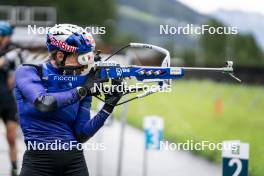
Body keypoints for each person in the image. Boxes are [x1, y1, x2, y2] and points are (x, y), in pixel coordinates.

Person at [15, 24, 122, 176]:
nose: (84, 64)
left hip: (74, 162)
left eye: (88, 57)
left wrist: (108, 107)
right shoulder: (28, 71)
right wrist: (83, 90)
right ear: (60, 56)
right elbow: (44, 103)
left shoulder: (81, 83)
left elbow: (82, 134)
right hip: (38, 164)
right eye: (80, 57)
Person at [0, 21, 18, 176]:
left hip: (7, 101)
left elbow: (12, 80)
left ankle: (14, 168)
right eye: (6, 37)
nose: (8, 40)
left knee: (12, 137)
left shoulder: (11, 52)